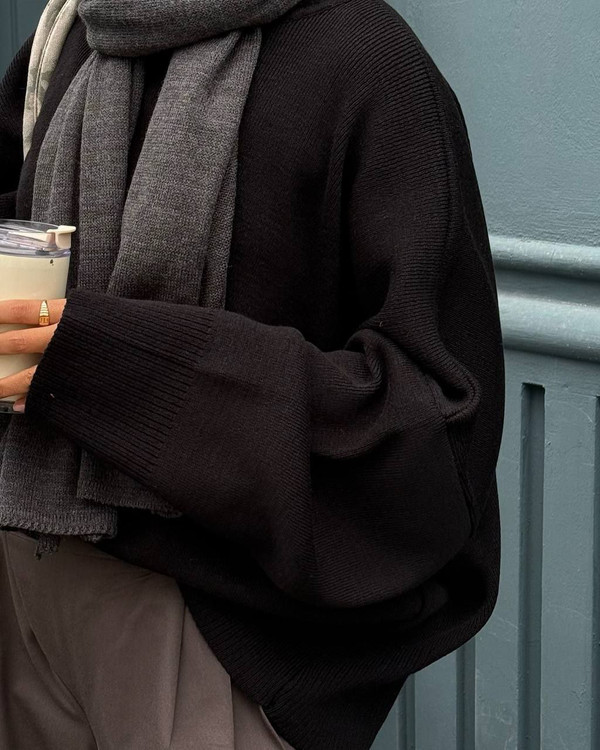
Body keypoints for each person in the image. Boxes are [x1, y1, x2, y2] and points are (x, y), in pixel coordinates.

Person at [0, 0, 505, 748]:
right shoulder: (77, 32)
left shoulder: (369, 60)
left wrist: (93, 361)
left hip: (210, 638)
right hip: (25, 576)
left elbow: (433, 432)